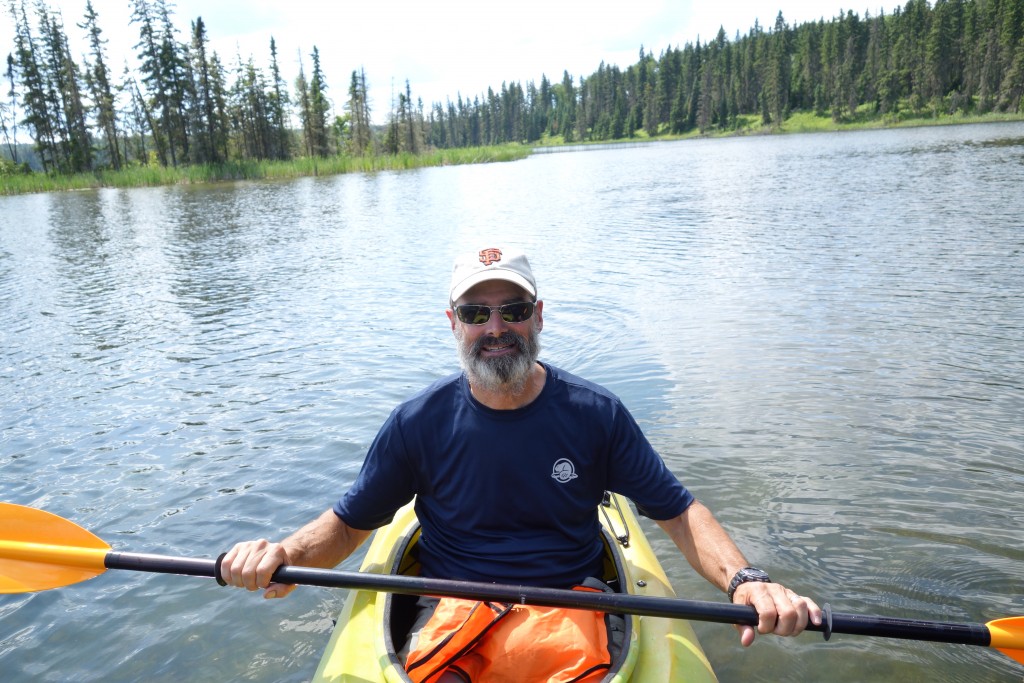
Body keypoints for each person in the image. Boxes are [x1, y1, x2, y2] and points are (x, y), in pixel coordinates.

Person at [221, 246, 822, 681]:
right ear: (453, 324)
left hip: (573, 603)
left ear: (538, 315)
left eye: (512, 308)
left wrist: (749, 581)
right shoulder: (417, 423)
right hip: (451, 605)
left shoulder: (596, 414)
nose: (497, 327)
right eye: (477, 314)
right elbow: (352, 523)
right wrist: (286, 555)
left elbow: (678, 512)